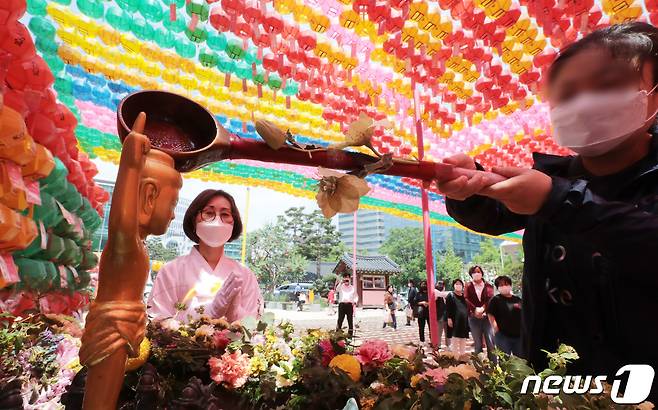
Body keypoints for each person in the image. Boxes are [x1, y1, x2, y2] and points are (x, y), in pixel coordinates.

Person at [437, 22, 658, 402]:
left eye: (607, 85)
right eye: (567, 93)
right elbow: (494, 213)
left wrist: (558, 201)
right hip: (552, 386)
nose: (583, 103)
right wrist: (470, 186)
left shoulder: (556, 190)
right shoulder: (553, 177)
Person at [148, 189, 263, 322]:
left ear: (234, 222)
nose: (217, 220)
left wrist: (235, 313)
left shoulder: (244, 275)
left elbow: (253, 327)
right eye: (209, 213)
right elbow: (158, 322)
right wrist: (209, 312)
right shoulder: (171, 271)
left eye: (225, 214)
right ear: (193, 220)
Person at [464, 266, 496, 361]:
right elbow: (466, 298)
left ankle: (494, 366)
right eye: (474, 272)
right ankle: (480, 366)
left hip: (487, 317)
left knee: (490, 343)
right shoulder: (468, 286)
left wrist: (482, 309)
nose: (476, 273)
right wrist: (475, 310)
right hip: (473, 318)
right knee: (477, 344)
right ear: (471, 274)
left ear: (482, 273)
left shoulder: (488, 285)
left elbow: (490, 298)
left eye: (478, 271)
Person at [488, 276, 522, 356]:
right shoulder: (495, 300)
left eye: (506, 284)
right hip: (502, 335)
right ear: (497, 287)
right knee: (505, 360)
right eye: (501, 285)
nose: (504, 286)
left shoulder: (517, 299)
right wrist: (495, 327)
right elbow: (490, 313)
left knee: (520, 360)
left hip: (518, 336)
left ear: (510, 285)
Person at [446, 279, 469, 356]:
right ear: (453, 285)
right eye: (456, 284)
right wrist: (449, 318)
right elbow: (448, 308)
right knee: (455, 342)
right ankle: (455, 360)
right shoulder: (450, 295)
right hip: (454, 322)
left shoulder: (465, 296)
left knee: (463, 341)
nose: (458, 285)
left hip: (464, 322)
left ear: (462, 286)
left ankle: (462, 360)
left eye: (460, 284)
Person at [435, 280, 451, 350]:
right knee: (439, 332)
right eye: (439, 284)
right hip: (439, 316)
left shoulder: (447, 294)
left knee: (448, 332)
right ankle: (438, 345)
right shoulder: (435, 294)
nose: (440, 286)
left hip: (448, 316)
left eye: (442, 285)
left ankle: (449, 345)